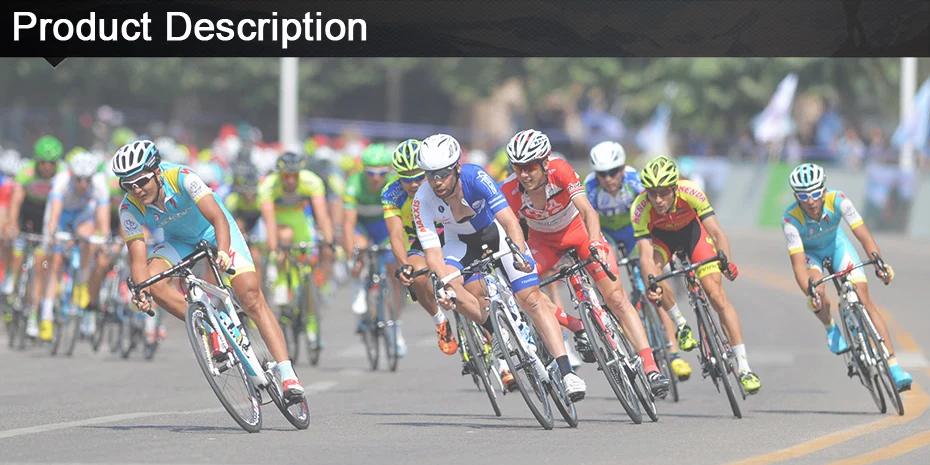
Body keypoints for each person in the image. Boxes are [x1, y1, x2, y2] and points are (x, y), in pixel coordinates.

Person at [112, 140, 304, 398]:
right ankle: (212, 326)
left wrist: (223, 251)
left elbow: (217, 218)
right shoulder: (128, 208)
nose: (136, 189)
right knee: (152, 282)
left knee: (250, 296)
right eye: (128, 185)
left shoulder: (182, 177)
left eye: (141, 181)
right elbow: (137, 259)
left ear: (156, 172)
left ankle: (288, 374)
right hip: (179, 241)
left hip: (215, 231)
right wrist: (142, 292)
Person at [412, 133, 587, 400]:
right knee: (449, 289)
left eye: (443, 174)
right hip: (459, 243)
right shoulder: (422, 199)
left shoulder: (475, 177)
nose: (437, 182)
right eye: (430, 175)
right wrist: (445, 286)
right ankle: (497, 333)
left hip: (496, 233)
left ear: (457, 167)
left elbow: (509, 221)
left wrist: (520, 253)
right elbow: (434, 255)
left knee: (531, 300)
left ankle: (567, 372)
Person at [500, 130, 670, 397]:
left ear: (544, 162)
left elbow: (588, 211)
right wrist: (518, 258)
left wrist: (595, 242)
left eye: (530, 167)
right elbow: (507, 230)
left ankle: (651, 368)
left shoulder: (560, 170)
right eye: (518, 168)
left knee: (616, 298)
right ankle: (577, 325)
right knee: (523, 292)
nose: (524, 174)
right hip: (543, 243)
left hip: (578, 233)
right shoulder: (509, 190)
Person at [632, 156, 761, 394]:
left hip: (693, 235)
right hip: (662, 240)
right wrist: (652, 284)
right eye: (652, 193)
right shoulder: (640, 208)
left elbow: (716, 232)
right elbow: (646, 256)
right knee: (652, 277)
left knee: (716, 295)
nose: (658, 200)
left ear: (674, 188)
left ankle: (744, 368)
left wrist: (726, 262)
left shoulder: (690, 191)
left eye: (663, 192)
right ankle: (681, 325)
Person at [782, 163, 912, 391]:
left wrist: (879, 264)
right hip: (811, 255)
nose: (810, 201)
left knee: (864, 298)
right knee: (817, 291)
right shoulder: (790, 220)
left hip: (837, 246)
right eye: (803, 196)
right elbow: (799, 265)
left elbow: (864, 236)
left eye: (815, 193)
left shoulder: (839, 200)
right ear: (796, 197)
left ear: (824, 191)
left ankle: (893, 367)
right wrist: (810, 293)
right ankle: (830, 327)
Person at [584, 141, 693, 381]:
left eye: (614, 171)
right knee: (614, 291)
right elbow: (586, 223)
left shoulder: (635, 181)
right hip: (608, 237)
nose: (608, 178)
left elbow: (655, 209)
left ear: (623, 169)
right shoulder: (590, 188)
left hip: (637, 233)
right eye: (602, 173)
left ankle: (674, 353)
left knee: (655, 285)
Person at [382, 139, 456, 355]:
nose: (413, 184)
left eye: (418, 177)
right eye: (406, 179)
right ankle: (440, 321)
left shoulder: (441, 182)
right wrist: (403, 264)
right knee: (417, 275)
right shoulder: (391, 193)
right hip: (421, 239)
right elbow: (396, 235)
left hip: (451, 233)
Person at [259, 151, 335, 349]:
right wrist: (274, 248)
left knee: (308, 270)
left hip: (300, 221)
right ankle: (281, 282)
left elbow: (322, 215)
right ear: (279, 174)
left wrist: (328, 241)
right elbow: (269, 221)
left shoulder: (311, 181)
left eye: (295, 175)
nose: (291, 180)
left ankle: (312, 328)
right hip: (279, 221)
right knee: (283, 241)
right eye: (286, 176)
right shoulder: (268, 185)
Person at [343, 144, 407, 355]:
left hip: (384, 226)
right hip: (361, 226)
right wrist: (351, 257)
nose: (377, 178)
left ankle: (396, 328)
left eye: (382, 173)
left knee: (394, 275)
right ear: (364, 171)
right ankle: (359, 285)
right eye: (371, 173)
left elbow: (401, 219)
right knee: (359, 248)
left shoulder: (394, 184)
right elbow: (348, 225)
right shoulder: (354, 184)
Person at [42, 151, 112, 336]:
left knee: (87, 237)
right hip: (62, 216)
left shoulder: (100, 184)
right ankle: (46, 316)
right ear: (72, 175)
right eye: (79, 179)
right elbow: (54, 216)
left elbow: (103, 220)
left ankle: (81, 282)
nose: (83, 184)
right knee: (55, 261)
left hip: (83, 216)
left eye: (87, 180)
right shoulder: (61, 181)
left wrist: (104, 239)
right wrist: (52, 235)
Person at [2, 136, 64, 340]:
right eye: (43, 162)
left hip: (47, 214)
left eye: (52, 163)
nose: (47, 167)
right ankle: (12, 277)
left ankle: (33, 315)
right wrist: (12, 223)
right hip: (27, 211)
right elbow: (16, 201)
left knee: (40, 266)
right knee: (17, 248)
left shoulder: (62, 174)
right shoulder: (27, 172)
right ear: (37, 161)